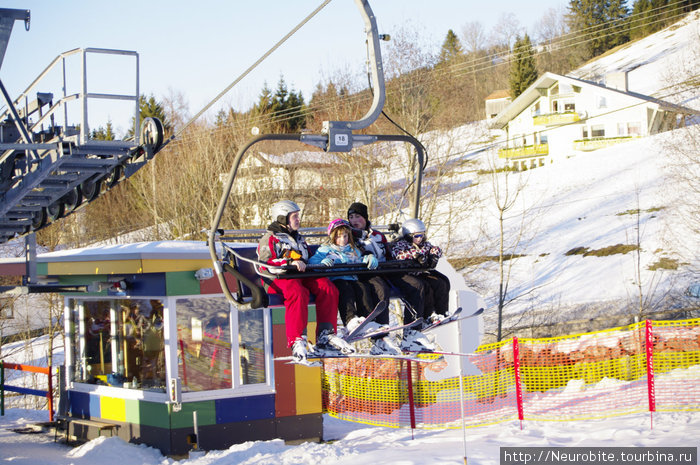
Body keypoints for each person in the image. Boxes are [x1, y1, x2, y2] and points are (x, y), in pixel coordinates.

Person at [257, 200, 352, 362]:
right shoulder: (270, 239)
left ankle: (325, 335)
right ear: (282, 218)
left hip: (299, 276)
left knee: (327, 287)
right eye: (294, 217)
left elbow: (307, 260)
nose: (298, 220)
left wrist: (322, 263)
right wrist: (289, 263)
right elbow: (265, 264)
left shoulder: (299, 239)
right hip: (278, 278)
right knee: (298, 292)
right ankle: (296, 338)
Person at [391, 218, 451, 350]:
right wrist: (415, 256)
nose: (420, 238)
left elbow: (435, 249)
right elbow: (398, 254)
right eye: (417, 236)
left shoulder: (424, 244)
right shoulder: (401, 245)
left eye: (422, 235)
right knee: (424, 287)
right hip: (405, 274)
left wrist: (433, 255)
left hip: (419, 273)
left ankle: (441, 311)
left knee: (441, 282)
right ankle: (424, 316)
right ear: (408, 235)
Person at [309, 218, 378, 326]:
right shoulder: (326, 249)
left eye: (345, 236)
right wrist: (322, 263)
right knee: (346, 291)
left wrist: (366, 260)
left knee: (363, 289)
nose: (342, 240)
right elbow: (313, 261)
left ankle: (367, 319)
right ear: (332, 236)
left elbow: (359, 262)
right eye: (338, 236)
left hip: (353, 278)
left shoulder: (352, 249)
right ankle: (350, 319)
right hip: (337, 279)